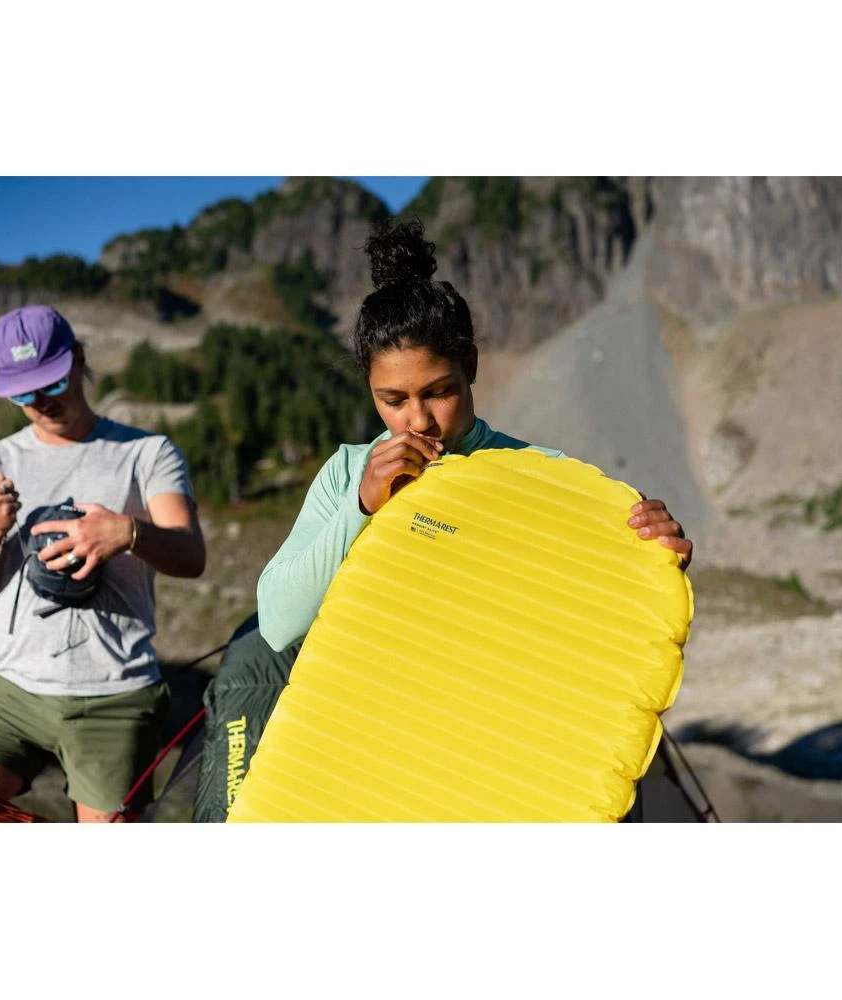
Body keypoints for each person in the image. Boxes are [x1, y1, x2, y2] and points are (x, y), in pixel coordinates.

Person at [193, 220, 692, 821]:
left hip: (480, 752)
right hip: (370, 750)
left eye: (438, 392)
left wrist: (651, 555)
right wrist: (362, 508)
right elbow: (277, 624)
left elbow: (592, 624)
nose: (419, 421)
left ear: (471, 366)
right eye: (393, 400)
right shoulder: (349, 473)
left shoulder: (543, 475)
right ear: (369, 388)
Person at [0, 305, 206, 822]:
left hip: (115, 695)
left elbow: (191, 556)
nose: (40, 402)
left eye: (51, 382)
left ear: (78, 359)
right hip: (6, 693)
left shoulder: (147, 453)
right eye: (23, 393)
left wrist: (126, 533)